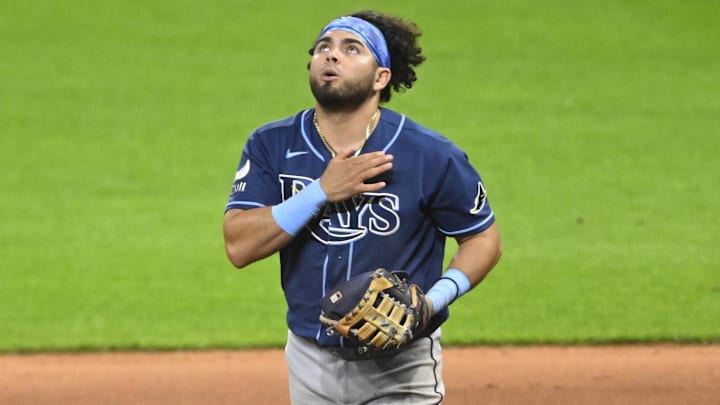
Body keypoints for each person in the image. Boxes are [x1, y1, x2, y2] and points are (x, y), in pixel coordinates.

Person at [223, 10, 502, 404]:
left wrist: (431, 302)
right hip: (308, 358)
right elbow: (239, 245)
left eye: (351, 49)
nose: (331, 56)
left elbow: (483, 238)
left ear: (380, 77)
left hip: (401, 364)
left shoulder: (430, 154)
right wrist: (319, 191)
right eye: (324, 47)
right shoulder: (272, 144)